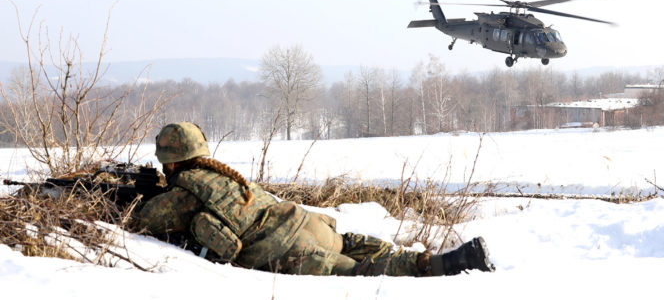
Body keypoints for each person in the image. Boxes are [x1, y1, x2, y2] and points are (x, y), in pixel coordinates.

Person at [136, 122, 495, 276]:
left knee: (365, 274)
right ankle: (436, 261)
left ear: (170, 160)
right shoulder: (221, 173)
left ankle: (440, 269)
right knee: (367, 250)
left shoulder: (183, 194)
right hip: (309, 224)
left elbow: (140, 221)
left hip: (291, 254)